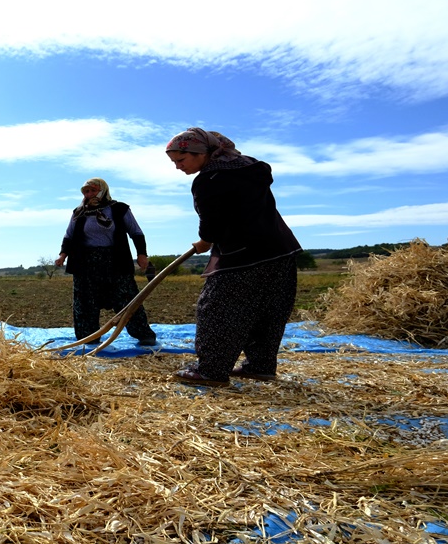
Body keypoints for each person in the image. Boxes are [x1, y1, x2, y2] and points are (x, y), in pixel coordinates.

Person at [165, 127, 302, 388]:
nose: (178, 167)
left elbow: (211, 224)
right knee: (268, 311)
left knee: (217, 310)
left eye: (181, 161)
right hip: (281, 250)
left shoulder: (209, 180)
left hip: (242, 256)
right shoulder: (249, 169)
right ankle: (260, 366)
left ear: (200, 153)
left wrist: (204, 241)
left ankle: (211, 371)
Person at [54, 177, 159, 346]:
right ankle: (88, 337)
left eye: (93, 190)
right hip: (85, 263)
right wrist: (62, 255)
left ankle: (143, 334)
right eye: (86, 191)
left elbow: (136, 232)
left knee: (127, 298)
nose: (89, 194)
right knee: (85, 301)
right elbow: (69, 236)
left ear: (103, 190)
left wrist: (142, 255)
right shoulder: (79, 212)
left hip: (115, 261)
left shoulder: (119, 209)